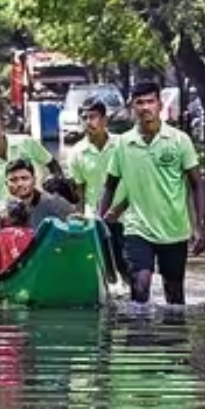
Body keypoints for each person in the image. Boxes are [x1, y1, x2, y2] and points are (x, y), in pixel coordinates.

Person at [97, 81, 205, 305]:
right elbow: (109, 185)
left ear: (159, 105)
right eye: (140, 102)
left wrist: (201, 228)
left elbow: (197, 185)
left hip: (174, 229)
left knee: (175, 296)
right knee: (140, 286)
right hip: (137, 229)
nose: (145, 107)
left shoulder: (179, 140)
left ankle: (173, 338)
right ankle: (140, 338)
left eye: (150, 101)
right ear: (132, 107)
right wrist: (100, 223)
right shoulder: (123, 144)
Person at [67, 96, 129, 284]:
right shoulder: (77, 152)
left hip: (128, 217)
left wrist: (121, 207)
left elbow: (136, 181)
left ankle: (137, 305)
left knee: (127, 265)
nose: (88, 122)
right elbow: (79, 191)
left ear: (104, 120)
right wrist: (78, 217)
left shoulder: (122, 145)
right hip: (96, 219)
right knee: (105, 270)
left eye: (92, 117)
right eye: (84, 118)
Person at [0, 158, 76, 251]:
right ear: (6, 183)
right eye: (13, 180)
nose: (20, 183)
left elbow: (75, 236)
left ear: (34, 180)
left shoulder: (55, 204)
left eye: (24, 178)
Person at [0, 110, 62, 197]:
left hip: (39, 206)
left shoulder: (26, 142)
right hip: (6, 211)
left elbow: (52, 164)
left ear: (1, 126)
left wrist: (56, 184)